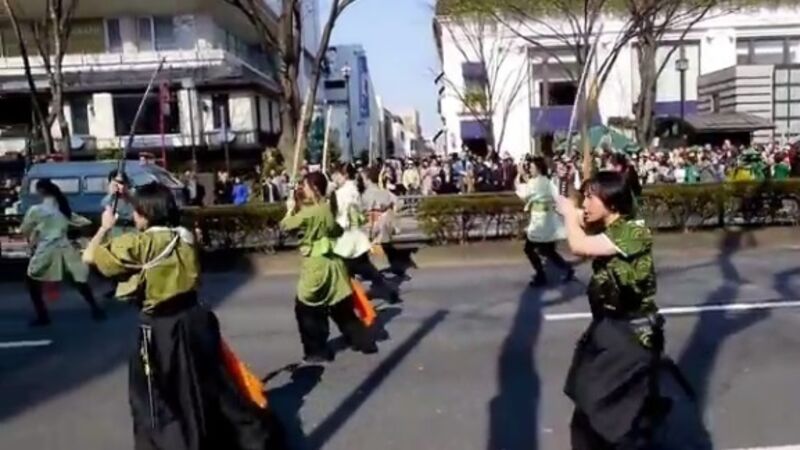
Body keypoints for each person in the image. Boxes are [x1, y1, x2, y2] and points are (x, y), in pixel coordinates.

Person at [83, 182, 286, 449]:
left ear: (145, 213)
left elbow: (89, 256)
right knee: (210, 385)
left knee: (157, 396)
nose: (133, 216)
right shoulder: (185, 235)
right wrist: (130, 197)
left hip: (161, 329)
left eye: (136, 211)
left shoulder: (139, 244)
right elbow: (157, 215)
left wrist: (105, 227)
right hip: (196, 321)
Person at [556, 171, 668, 449]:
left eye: (591, 197)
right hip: (607, 328)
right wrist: (568, 204)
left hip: (631, 334)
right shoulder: (607, 226)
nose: (585, 204)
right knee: (586, 402)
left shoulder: (634, 231)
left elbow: (579, 245)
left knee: (618, 415)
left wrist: (569, 213)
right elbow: (580, 226)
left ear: (612, 202)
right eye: (585, 197)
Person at [281, 172, 378, 363]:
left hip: (316, 267)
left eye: (305, 186)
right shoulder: (326, 208)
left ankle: (317, 350)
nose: (302, 189)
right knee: (342, 308)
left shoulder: (308, 213)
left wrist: (289, 209)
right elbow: (336, 230)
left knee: (307, 310)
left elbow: (285, 226)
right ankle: (363, 341)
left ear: (314, 188)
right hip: (335, 264)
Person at [21, 179, 104, 326]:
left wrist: (35, 235)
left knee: (32, 281)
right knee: (78, 280)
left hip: (47, 249)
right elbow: (86, 223)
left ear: (41, 191)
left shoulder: (36, 210)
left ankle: (42, 315)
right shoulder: (63, 209)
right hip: (66, 248)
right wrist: (72, 232)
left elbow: (25, 229)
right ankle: (95, 308)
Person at [331, 164, 400, 304]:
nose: (334, 178)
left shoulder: (343, 193)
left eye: (336, 175)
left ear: (344, 175)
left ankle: (354, 300)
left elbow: (343, 215)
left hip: (347, 237)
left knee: (350, 269)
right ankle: (384, 290)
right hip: (355, 236)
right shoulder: (354, 190)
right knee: (361, 269)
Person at [516, 157, 574, 287]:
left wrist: (520, 175)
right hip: (547, 219)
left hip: (540, 222)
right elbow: (556, 197)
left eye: (531, 167)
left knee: (530, 249)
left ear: (538, 168)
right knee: (547, 250)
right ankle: (566, 269)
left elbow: (524, 194)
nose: (530, 169)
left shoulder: (535, 182)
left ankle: (541, 275)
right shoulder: (548, 182)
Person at [362, 168, 415, 279]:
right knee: (383, 246)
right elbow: (398, 203)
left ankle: (375, 271)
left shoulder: (367, 193)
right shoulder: (383, 192)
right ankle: (391, 269)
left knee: (374, 246)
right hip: (382, 223)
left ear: (367, 179)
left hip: (373, 223)